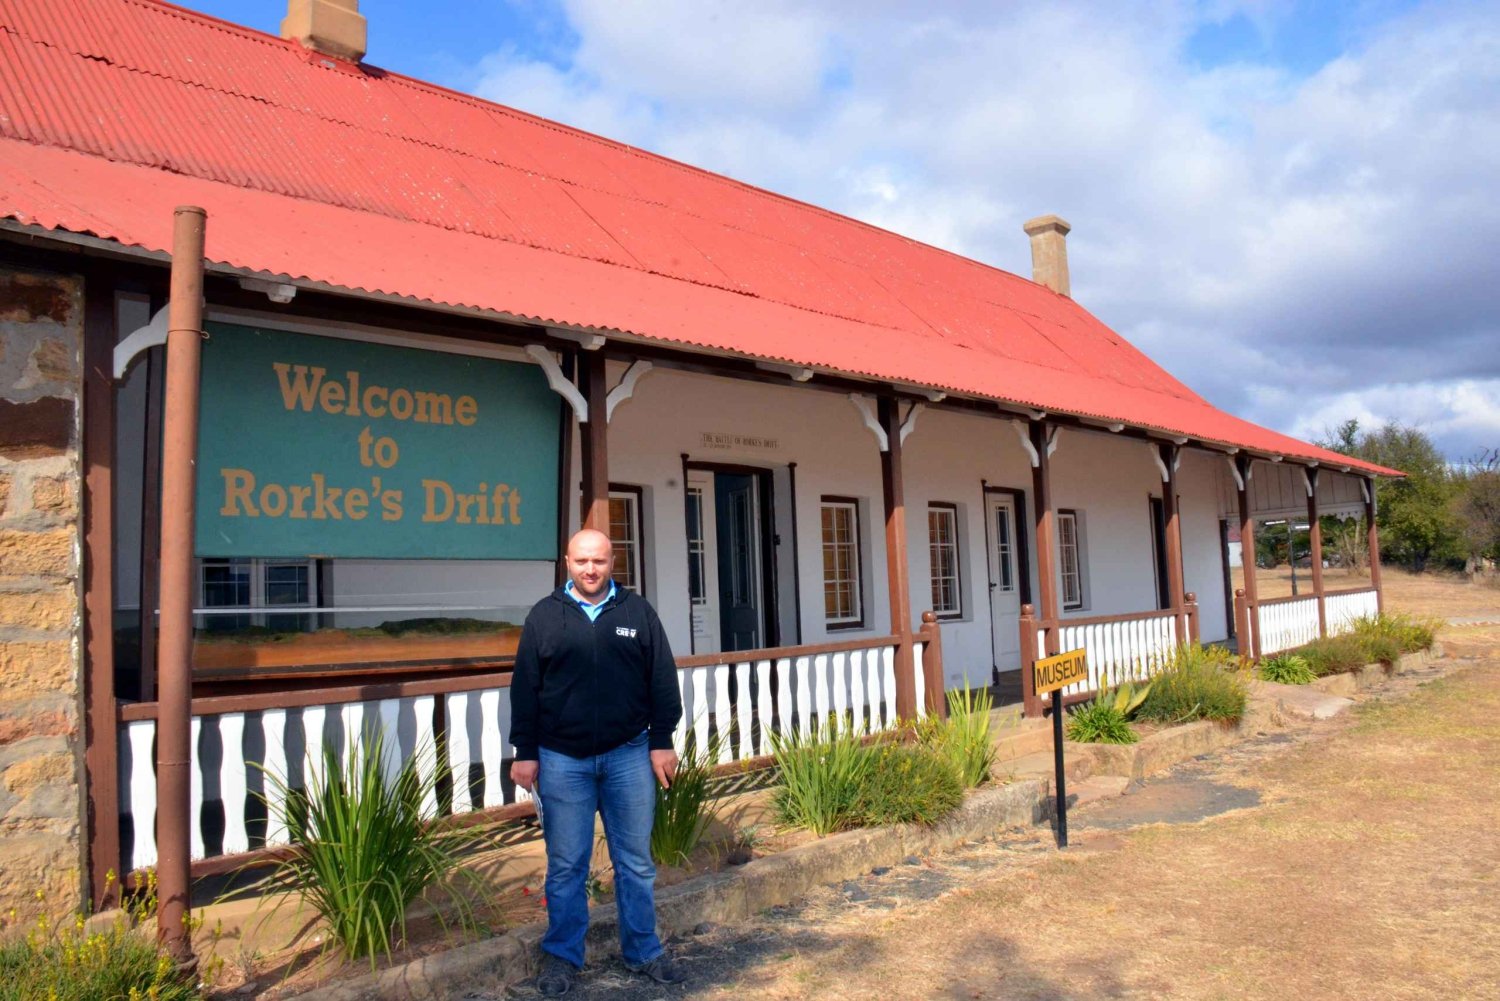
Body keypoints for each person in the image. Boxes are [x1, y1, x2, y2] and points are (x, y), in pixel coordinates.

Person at [510, 528, 686, 997]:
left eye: (600, 561)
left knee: (635, 863)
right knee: (567, 865)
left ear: (613, 562)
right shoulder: (544, 616)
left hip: (628, 754)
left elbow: (662, 679)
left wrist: (661, 741)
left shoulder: (636, 612)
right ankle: (563, 958)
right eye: (582, 561)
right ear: (567, 562)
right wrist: (525, 751)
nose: (591, 569)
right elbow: (525, 688)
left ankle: (643, 951)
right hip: (561, 759)